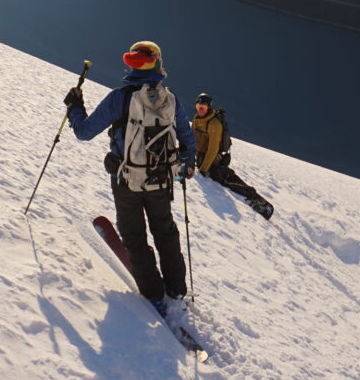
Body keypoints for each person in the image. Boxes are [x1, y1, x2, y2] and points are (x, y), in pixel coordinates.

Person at [66, 40, 196, 317]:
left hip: (126, 179)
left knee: (134, 234)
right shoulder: (170, 99)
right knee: (165, 231)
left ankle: (154, 295)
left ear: (131, 64)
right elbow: (186, 138)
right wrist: (187, 163)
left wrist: (75, 107)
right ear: (158, 63)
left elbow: (84, 132)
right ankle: (176, 288)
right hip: (161, 180)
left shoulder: (121, 98)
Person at [191, 92, 274, 220]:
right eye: (198, 107)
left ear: (209, 107)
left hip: (214, 159)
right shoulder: (196, 120)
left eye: (203, 107)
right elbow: (192, 139)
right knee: (219, 178)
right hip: (201, 156)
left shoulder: (214, 124)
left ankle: (255, 199)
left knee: (226, 179)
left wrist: (203, 168)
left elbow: (213, 149)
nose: (201, 109)